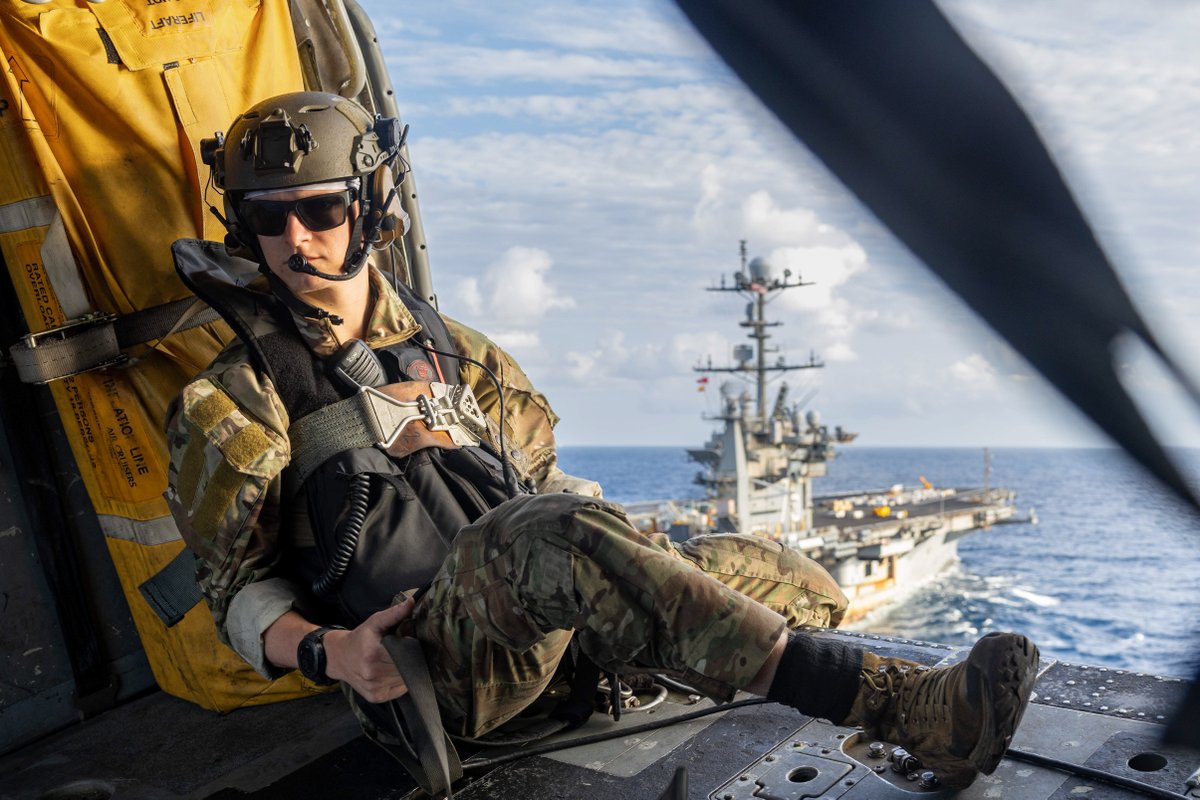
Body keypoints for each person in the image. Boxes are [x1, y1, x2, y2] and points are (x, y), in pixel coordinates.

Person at [165, 91, 1038, 794]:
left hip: (546, 626)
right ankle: (902, 706)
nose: (295, 240)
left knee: (784, 573)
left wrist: (638, 565)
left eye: (320, 209)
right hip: (431, 667)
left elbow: (535, 476)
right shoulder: (234, 399)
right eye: (267, 219)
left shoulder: (456, 351)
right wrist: (330, 651)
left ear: (372, 209)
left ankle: (797, 676)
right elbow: (237, 592)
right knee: (551, 530)